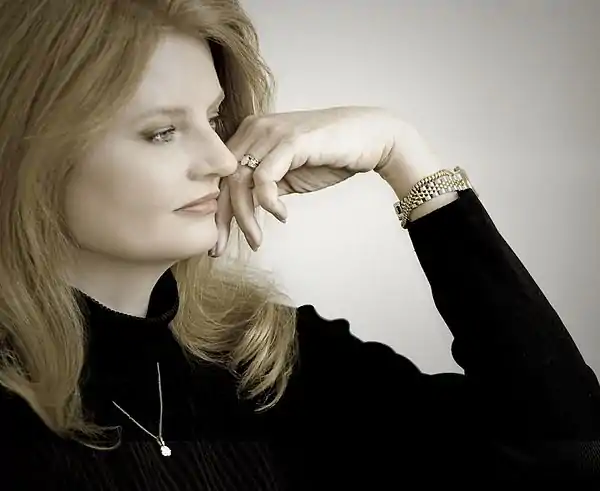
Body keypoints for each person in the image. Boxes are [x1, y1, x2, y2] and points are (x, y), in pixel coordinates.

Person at [0, 0, 598, 488]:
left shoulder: (262, 358)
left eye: (214, 119)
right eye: (162, 132)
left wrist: (405, 158)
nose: (220, 158)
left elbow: (569, 453)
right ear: (27, 150)